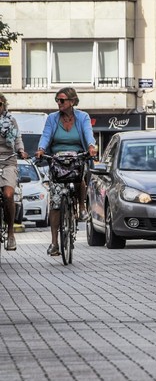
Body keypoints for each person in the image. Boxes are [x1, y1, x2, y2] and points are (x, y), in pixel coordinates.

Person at [35, 88, 98, 257]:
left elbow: (88, 133)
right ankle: (55, 243)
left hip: (77, 156)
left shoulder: (83, 117)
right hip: (57, 159)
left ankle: (82, 206)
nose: (59, 103)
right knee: (56, 201)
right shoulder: (52, 118)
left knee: (79, 176)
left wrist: (91, 147)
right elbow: (46, 136)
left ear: (72, 101)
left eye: (62, 100)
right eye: (57, 100)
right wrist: (41, 149)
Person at [0, 93, 28, 251]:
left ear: (4, 105)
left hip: (9, 160)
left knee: (8, 195)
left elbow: (18, 139)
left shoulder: (11, 121)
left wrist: (21, 150)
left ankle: (10, 233)